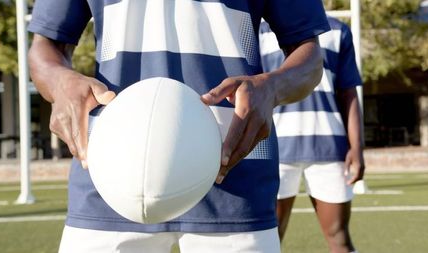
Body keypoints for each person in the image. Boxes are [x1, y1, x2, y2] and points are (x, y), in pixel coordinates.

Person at [28, 1, 330, 252]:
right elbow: (47, 44)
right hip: (110, 178)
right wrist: (59, 81)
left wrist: (271, 87)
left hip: (235, 178)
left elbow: (308, 52)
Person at [259, 17, 365, 253]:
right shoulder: (259, 31)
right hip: (275, 149)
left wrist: (357, 148)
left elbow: (348, 93)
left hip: (329, 147)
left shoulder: (338, 31)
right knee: (268, 237)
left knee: (339, 237)